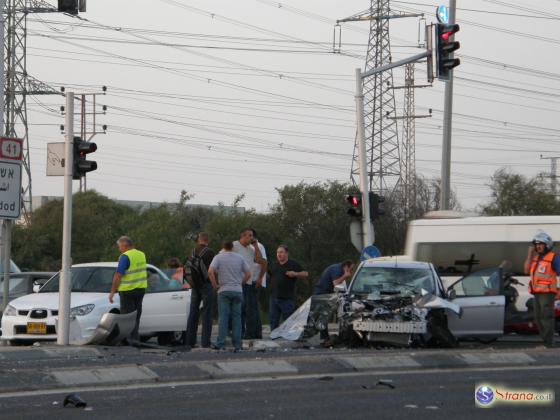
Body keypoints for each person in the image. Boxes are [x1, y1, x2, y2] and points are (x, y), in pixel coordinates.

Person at [208, 240, 251, 351]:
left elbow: (210, 271)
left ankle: (221, 343)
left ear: (223, 247)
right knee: (237, 318)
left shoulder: (218, 257)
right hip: (237, 291)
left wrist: (215, 285)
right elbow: (248, 273)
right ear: (232, 247)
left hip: (224, 291)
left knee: (223, 317)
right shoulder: (239, 257)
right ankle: (238, 344)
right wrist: (241, 283)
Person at [524, 231, 560, 347]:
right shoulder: (535, 258)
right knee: (538, 318)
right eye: (536, 244)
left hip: (547, 293)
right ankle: (545, 340)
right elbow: (526, 270)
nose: (538, 246)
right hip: (537, 293)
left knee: (546, 317)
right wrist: (529, 254)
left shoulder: (553, 258)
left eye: (540, 244)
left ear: (547, 245)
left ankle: (549, 342)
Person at [109, 236, 147, 342]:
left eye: (119, 247)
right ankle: (134, 339)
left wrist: (112, 292)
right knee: (136, 316)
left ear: (125, 246)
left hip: (127, 290)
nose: (119, 249)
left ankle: (128, 341)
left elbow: (118, 275)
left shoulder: (125, 256)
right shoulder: (141, 254)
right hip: (140, 289)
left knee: (127, 317)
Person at [233, 228, 267, 339]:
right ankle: (254, 333)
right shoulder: (241, 246)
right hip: (250, 280)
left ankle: (251, 333)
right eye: (249, 235)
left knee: (251, 308)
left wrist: (260, 278)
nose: (251, 238)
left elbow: (264, 263)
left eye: (252, 236)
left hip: (255, 280)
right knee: (251, 308)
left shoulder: (257, 246)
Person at [185, 232, 216, 348]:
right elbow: (212, 270)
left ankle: (190, 341)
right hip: (206, 285)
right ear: (207, 240)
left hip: (194, 285)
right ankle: (205, 342)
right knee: (207, 313)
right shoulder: (210, 252)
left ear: (199, 240)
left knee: (193, 312)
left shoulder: (192, 251)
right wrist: (215, 284)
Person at [313, 260, 355, 345]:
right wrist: (345, 275)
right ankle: (327, 338)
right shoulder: (337, 270)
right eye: (350, 269)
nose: (350, 271)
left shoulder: (339, 269)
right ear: (346, 266)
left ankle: (328, 338)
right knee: (327, 316)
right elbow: (336, 283)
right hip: (322, 294)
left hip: (328, 294)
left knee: (329, 316)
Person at [268, 245, 308, 331]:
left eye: (281, 252)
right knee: (273, 320)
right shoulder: (273, 265)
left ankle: (288, 340)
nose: (279, 254)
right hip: (274, 298)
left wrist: (295, 274)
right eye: (278, 252)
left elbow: (305, 273)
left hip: (287, 299)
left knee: (288, 321)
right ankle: (273, 338)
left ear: (287, 253)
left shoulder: (292, 264)